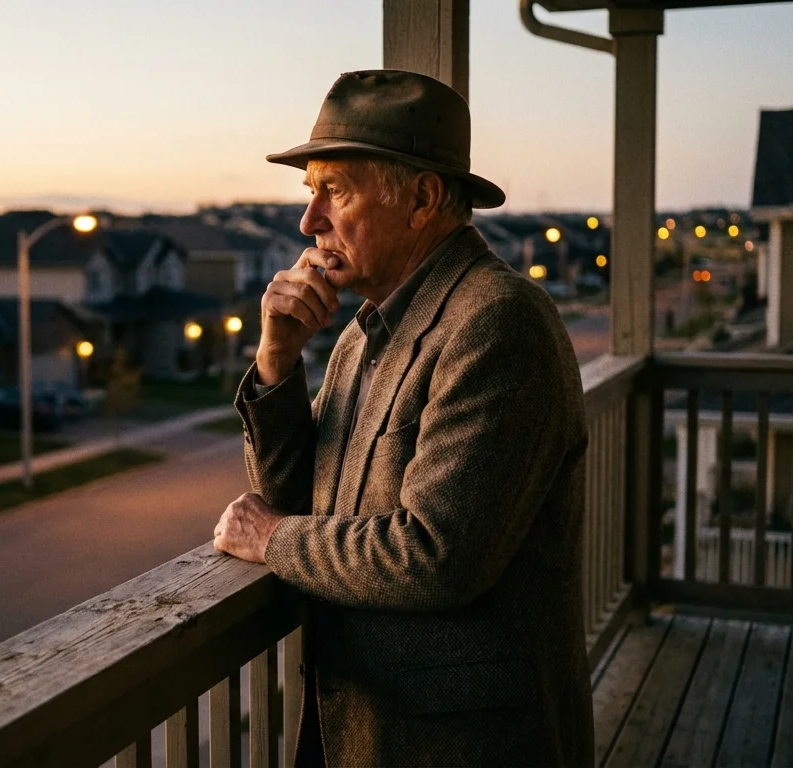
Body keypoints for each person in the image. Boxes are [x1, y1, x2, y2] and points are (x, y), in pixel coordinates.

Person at [212, 70, 593, 766]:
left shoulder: (497, 322)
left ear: (421, 199)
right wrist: (276, 362)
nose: (309, 222)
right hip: (365, 726)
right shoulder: (366, 329)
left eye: (336, 191)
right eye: (311, 192)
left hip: (463, 742)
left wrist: (272, 541)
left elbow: (436, 556)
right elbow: (295, 498)